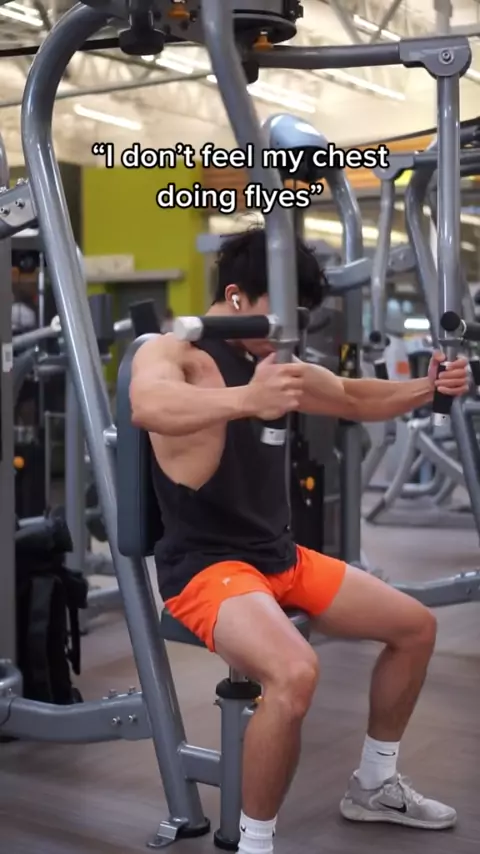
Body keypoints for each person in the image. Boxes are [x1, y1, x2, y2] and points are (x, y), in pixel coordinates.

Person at [130, 228, 469, 853]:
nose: (291, 333)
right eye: (282, 314)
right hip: (206, 567)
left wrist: (429, 388)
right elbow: (149, 406)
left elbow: (351, 396)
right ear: (238, 297)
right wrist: (246, 398)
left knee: (416, 628)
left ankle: (374, 785)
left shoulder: (276, 357)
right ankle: (255, 844)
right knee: (294, 673)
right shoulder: (175, 351)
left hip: (277, 557)